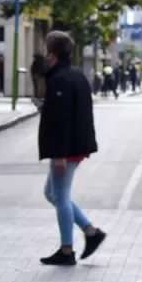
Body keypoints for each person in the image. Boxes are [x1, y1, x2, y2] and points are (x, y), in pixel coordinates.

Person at [37, 31, 105, 266]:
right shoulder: (75, 75)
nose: (44, 55)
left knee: (60, 196)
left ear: (53, 54)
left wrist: (59, 154)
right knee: (52, 193)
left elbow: (62, 120)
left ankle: (67, 250)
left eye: (47, 50)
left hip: (67, 149)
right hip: (74, 145)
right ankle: (90, 231)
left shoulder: (61, 80)